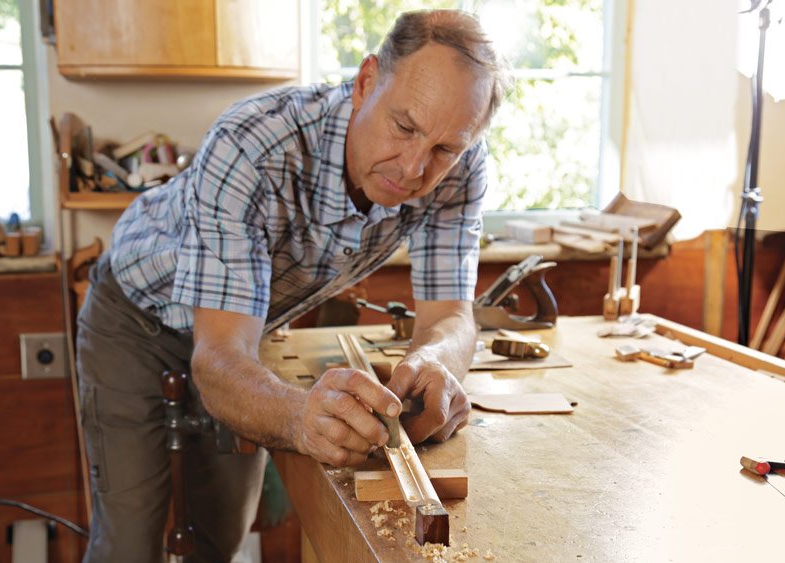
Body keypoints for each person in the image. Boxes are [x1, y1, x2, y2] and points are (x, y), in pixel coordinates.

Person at [75, 8, 511, 562]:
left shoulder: (462, 166)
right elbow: (217, 359)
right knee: (128, 543)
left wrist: (436, 362)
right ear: (366, 82)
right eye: (404, 127)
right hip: (136, 317)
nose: (413, 168)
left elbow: (449, 319)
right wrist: (299, 418)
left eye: (445, 150)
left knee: (221, 538)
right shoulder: (255, 144)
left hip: (242, 329)